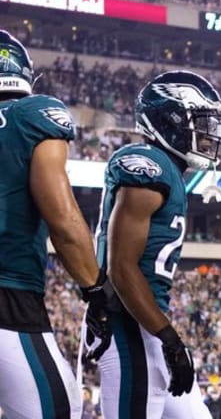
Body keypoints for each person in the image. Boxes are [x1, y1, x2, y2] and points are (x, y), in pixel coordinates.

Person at [93, 70, 221, 419]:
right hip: (126, 322)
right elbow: (122, 268)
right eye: (200, 122)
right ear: (170, 121)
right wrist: (168, 337)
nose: (208, 133)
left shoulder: (168, 171)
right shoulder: (148, 164)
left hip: (146, 322)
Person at [0, 29, 110, 419]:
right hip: (8, 294)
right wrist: (96, 290)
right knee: (56, 408)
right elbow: (62, 218)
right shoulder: (32, 115)